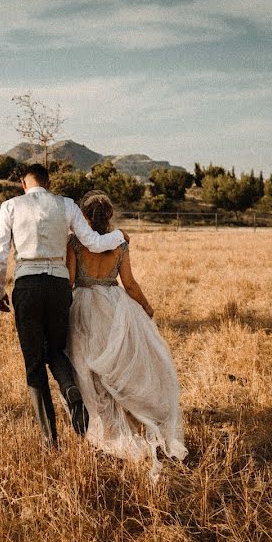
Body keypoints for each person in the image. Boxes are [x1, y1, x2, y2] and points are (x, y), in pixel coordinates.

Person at [0, 164, 127, 447]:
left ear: (23, 183)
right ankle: (70, 389)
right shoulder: (66, 205)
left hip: (28, 284)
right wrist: (120, 237)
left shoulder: (11, 206)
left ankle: (49, 439)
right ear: (48, 182)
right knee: (55, 349)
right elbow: (92, 242)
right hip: (58, 286)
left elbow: (0, 251)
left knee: (34, 364)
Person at [66, 191, 187, 479]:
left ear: (83, 216)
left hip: (84, 306)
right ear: (109, 217)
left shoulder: (75, 243)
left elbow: (70, 281)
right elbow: (130, 283)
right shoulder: (120, 242)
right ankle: (134, 423)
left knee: (91, 372)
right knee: (121, 369)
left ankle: (106, 431)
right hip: (114, 307)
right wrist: (145, 306)